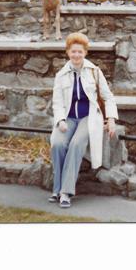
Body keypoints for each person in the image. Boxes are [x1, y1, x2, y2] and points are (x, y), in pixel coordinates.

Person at [50, 32, 118, 208]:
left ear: (85, 53)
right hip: (69, 118)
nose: (76, 55)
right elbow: (57, 102)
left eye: (80, 52)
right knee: (57, 143)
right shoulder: (61, 75)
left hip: (89, 118)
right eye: (73, 52)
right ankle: (56, 189)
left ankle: (66, 192)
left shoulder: (94, 71)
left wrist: (111, 119)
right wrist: (61, 120)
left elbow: (108, 97)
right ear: (68, 52)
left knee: (76, 144)